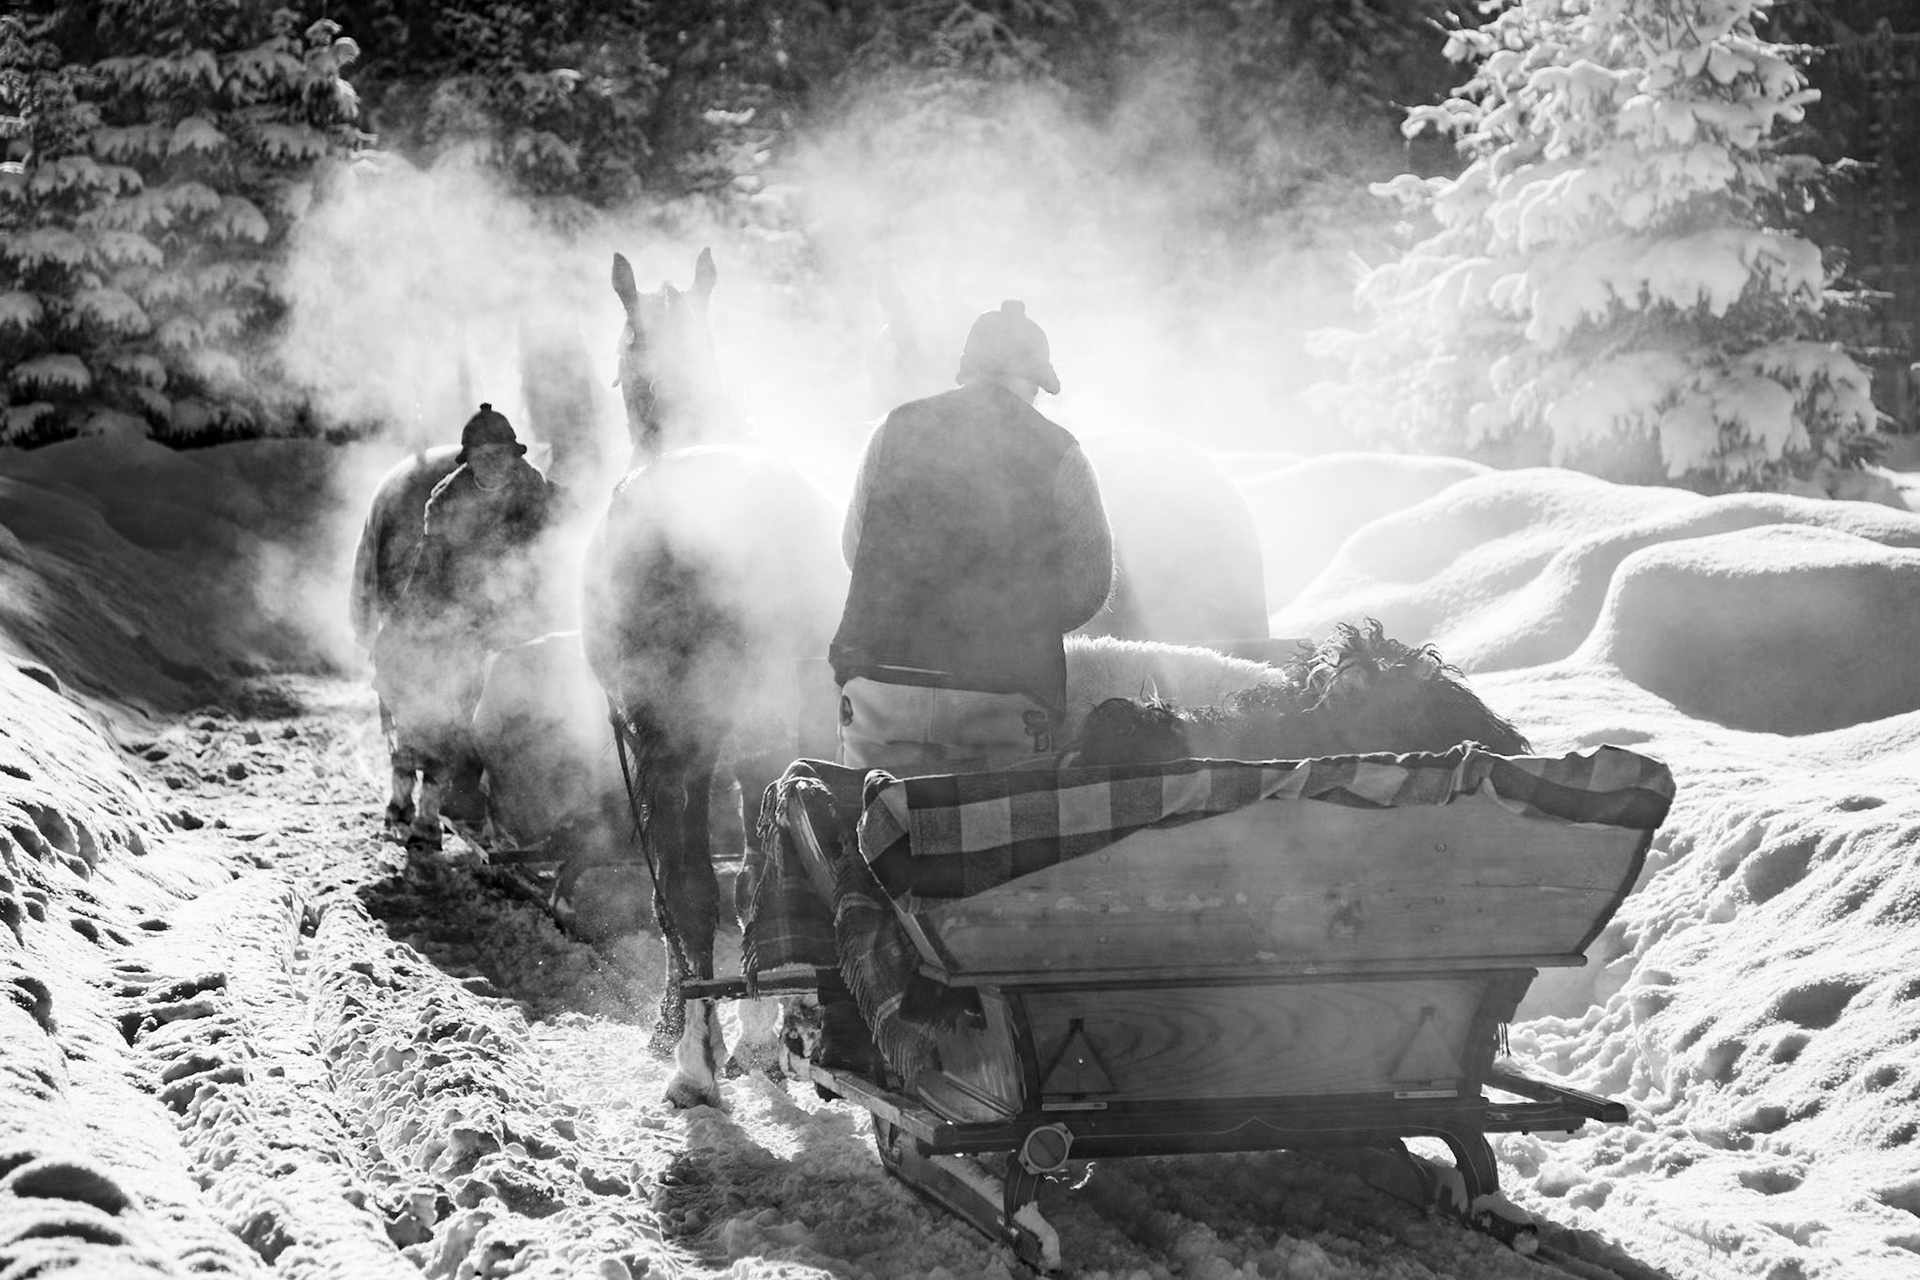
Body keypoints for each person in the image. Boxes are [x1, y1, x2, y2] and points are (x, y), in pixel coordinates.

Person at [830, 299, 1115, 774]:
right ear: (1035, 381)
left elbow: (854, 550)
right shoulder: (1061, 451)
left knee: (871, 809)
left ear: (968, 371)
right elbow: (1088, 589)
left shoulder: (892, 430)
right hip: (1003, 699)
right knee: (999, 817)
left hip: (879, 690)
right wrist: (1020, 625)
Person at [374, 403, 563, 853]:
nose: (493, 465)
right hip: (461, 613)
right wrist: (408, 625)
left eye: (501, 456)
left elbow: (550, 563)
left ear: (515, 456)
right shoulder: (446, 502)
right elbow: (430, 573)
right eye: (483, 457)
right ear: (469, 461)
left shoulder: (537, 495)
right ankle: (427, 801)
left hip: (524, 615)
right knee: (436, 686)